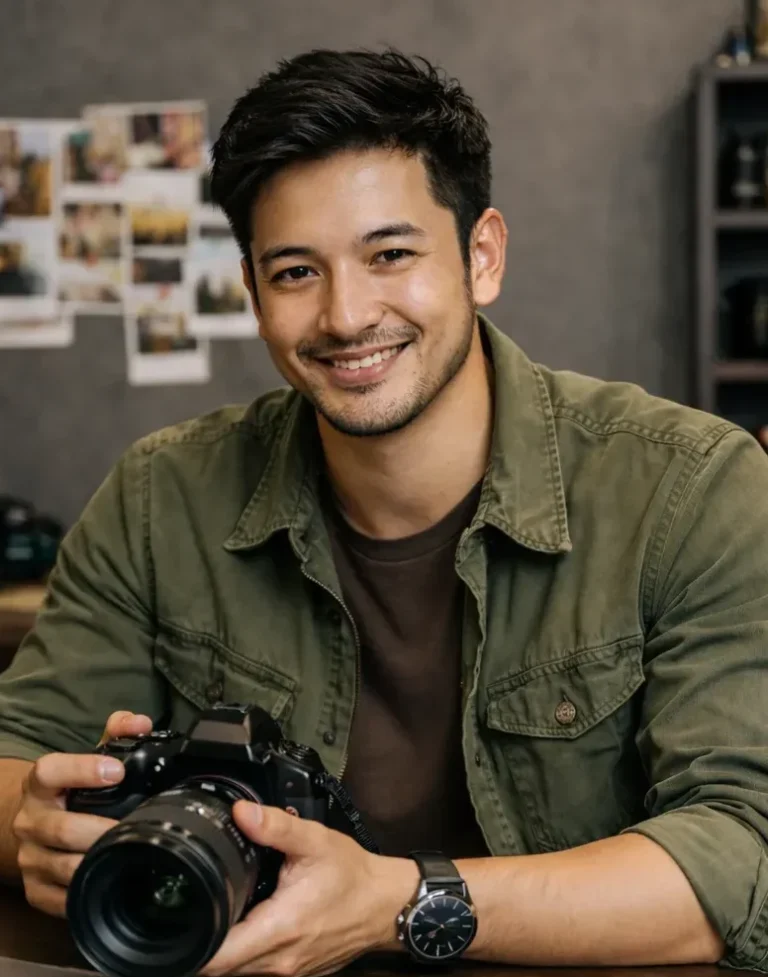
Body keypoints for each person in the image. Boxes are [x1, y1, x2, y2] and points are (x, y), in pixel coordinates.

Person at [0, 47, 767, 976]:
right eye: (294, 272)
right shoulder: (162, 496)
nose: (345, 314)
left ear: (481, 257)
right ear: (251, 293)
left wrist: (396, 903)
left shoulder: (690, 486)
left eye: (390, 254)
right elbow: (16, 760)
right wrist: (31, 823)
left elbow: (739, 853)